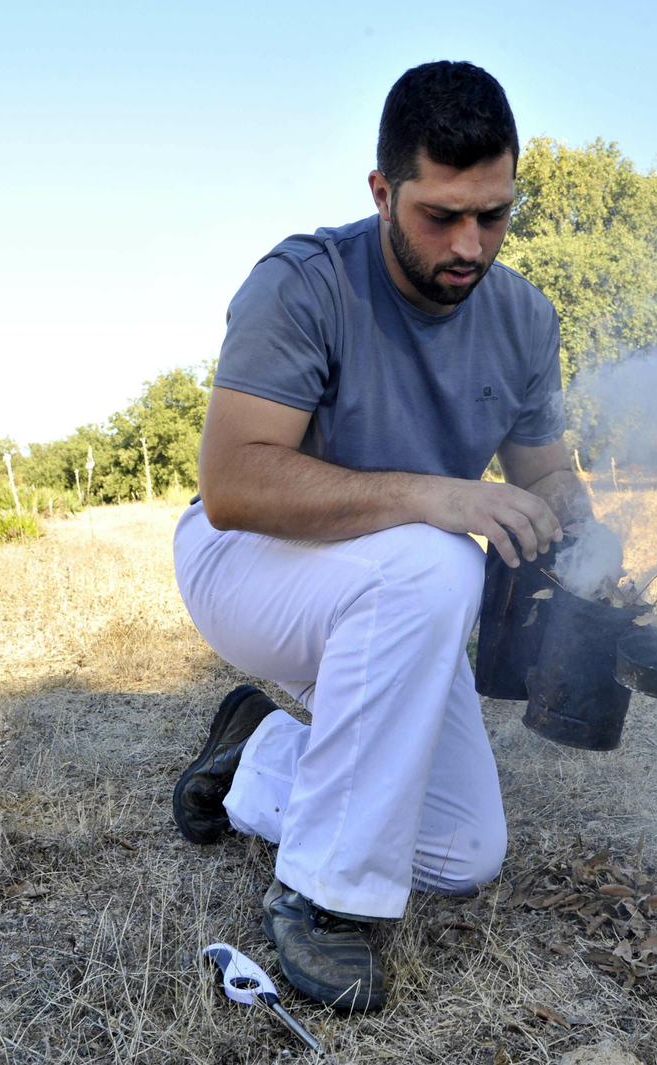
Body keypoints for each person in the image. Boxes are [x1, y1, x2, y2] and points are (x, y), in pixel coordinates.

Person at [170, 60, 595, 1012]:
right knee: (437, 553)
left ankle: (259, 753)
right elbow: (233, 484)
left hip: (395, 595)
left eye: (493, 214)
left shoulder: (524, 316)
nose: (469, 244)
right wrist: (437, 496)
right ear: (380, 190)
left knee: (461, 850)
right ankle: (321, 900)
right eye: (440, 215)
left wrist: (598, 554)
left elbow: (545, 476)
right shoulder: (304, 283)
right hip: (248, 566)